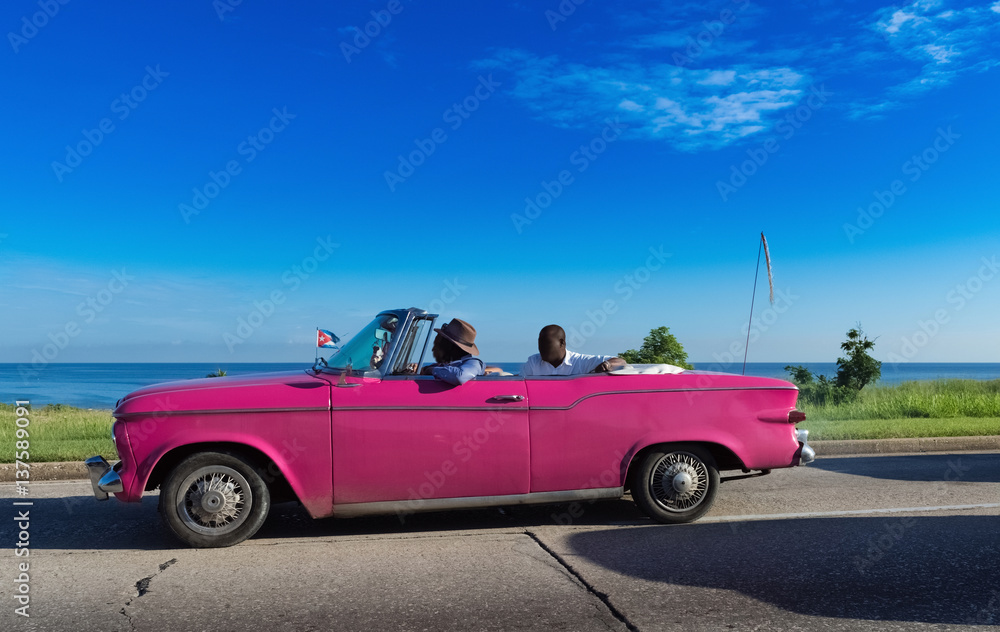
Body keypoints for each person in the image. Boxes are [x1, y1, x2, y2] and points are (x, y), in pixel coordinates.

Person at [522, 324, 626, 376]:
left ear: (562, 343)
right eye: (540, 343)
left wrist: (606, 365)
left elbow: (621, 362)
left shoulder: (580, 362)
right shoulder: (533, 362)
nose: (541, 347)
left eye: (546, 343)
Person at [420, 318, 485, 385]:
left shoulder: (474, 363)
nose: (440, 345)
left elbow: (459, 377)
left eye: (443, 341)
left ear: (450, 345)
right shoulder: (451, 363)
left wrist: (432, 370)